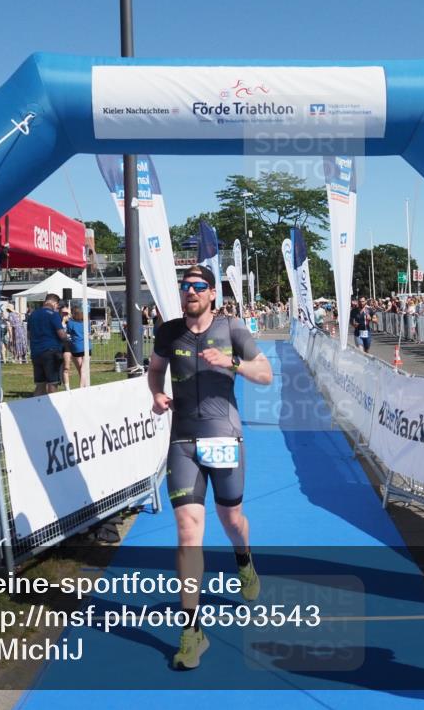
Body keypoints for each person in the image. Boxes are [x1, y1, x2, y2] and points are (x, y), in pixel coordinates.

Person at [147, 265, 273, 670]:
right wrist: (156, 394)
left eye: (199, 286)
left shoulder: (233, 328)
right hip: (183, 440)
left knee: (231, 518)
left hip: (224, 439)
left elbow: (266, 375)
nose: (191, 292)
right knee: (187, 532)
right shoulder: (168, 332)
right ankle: (192, 631)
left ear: (212, 294)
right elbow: (155, 371)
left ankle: (244, 559)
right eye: (185, 286)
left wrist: (232, 363)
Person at [28, 294, 67, 396]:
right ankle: (52, 408)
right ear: (54, 303)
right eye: (57, 305)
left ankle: (36, 408)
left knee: (40, 384)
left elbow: (29, 335)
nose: (57, 307)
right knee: (52, 383)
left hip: (36, 352)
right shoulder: (54, 315)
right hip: (51, 352)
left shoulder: (33, 314)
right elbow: (61, 334)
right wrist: (68, 342)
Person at [67, 305, 91, 389]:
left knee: (81, 369)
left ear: (73, 313)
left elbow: (69, 332)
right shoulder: (86, 322)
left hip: (76, 347)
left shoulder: (70, 322)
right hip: (86, 346)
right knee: (83, 368)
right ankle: (82, 387)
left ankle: (83, 386)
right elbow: (89, 332)